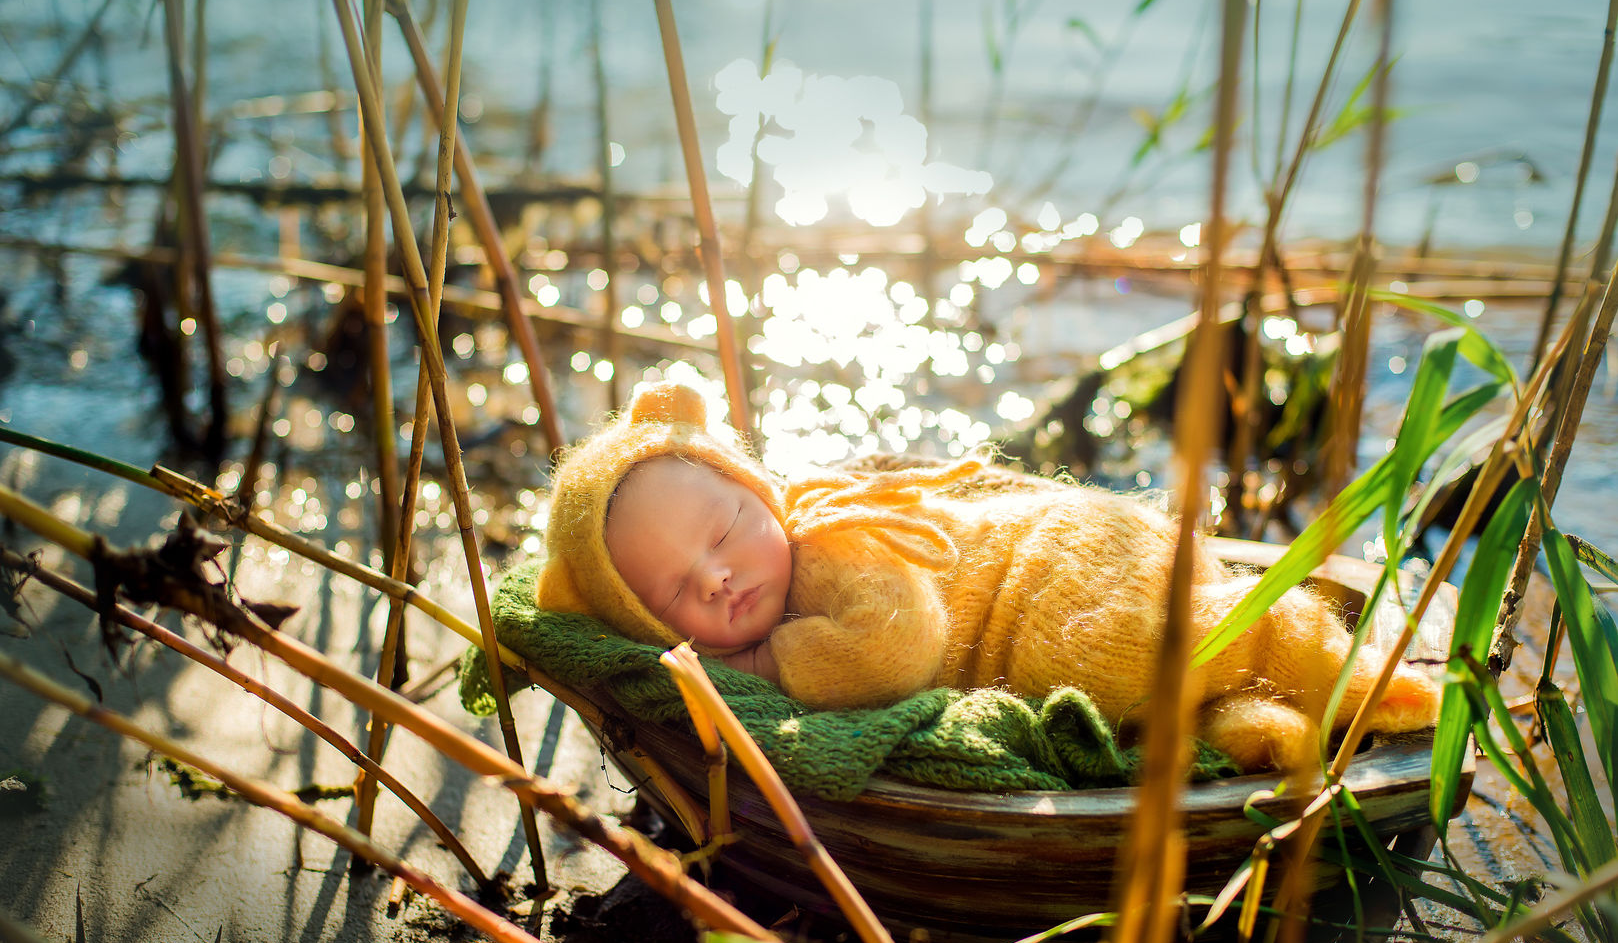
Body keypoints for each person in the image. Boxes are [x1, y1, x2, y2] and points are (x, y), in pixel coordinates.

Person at [536, 379, 1441, 771]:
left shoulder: (829, 552)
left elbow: (896, 648)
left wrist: (766, 673)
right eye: (673, 596)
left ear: (759, 495)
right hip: (1074, 560)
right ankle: (1241, 720)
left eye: (727, 529)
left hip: (1052, 575)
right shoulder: (763, 574)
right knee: (1135, 700)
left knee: (1108, 656)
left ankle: (1332, 665)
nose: (720, 577)